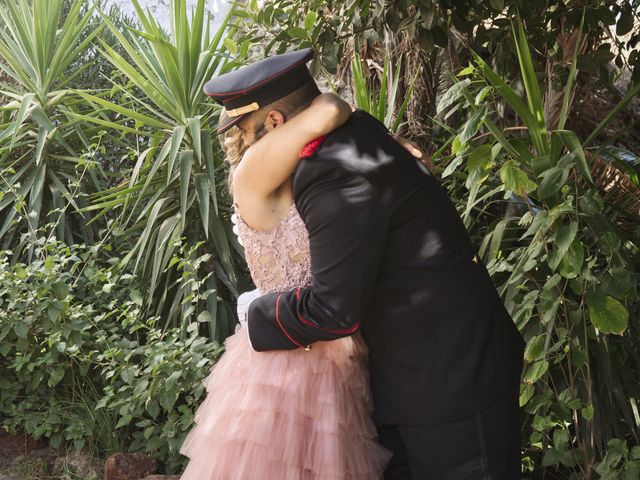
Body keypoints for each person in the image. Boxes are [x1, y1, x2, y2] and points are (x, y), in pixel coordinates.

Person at [203, 48, 526, 479]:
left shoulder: (330, 166)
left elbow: (335, 311)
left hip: (449, 381)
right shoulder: (359, 134)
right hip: (385, 381)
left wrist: (253, 311)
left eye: (244, 130)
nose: (241, 143)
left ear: (277, 124)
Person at [179, 92, 391, 479]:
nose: (243, 139)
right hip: (287, 351)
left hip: (327, 345)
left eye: (243, 128)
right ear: (276, 123)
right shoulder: (255, 172)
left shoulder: (310, 173)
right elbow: (331, 108)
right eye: (241, 132)